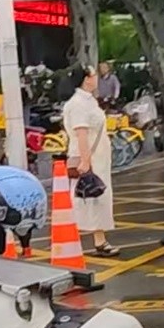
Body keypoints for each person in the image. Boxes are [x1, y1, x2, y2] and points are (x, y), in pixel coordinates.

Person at [61, 65, 118, 257]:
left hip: (98, 158)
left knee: (95, 197)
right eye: (93, 75)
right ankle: (87, 240)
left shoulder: (88, 101)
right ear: (86, 79)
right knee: (88, 198)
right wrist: (85, 160)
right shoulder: (78, 104)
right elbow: (81, 133)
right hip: (89, 158)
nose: (96, 78)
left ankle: (99, 239)